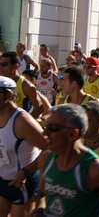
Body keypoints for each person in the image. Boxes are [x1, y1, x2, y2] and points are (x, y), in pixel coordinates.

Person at [32, 104, 99, 216]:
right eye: (46, 126)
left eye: (52, 128)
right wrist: (39, 211)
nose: (45, 132)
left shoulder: (94, 169)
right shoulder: (45, 159)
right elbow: (41, 194)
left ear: (72, 134)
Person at [0, 76, 47, 217]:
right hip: (3, 180)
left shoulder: (22, 121)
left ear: (8, 95)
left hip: (23, 183)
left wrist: (27, 171)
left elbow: (50, 148)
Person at [57, 66, 99, 132]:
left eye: (64, 80)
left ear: (73, 84)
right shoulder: (61, 101)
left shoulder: (93, 102)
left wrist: (94, 138)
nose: (62, 83)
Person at [0, 51, 43, 118]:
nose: (0, 67)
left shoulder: (27, 86)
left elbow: (40, 108)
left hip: (17, 125)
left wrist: (25, 122)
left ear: (15, 66)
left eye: (4, 64)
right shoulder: (1, 82)